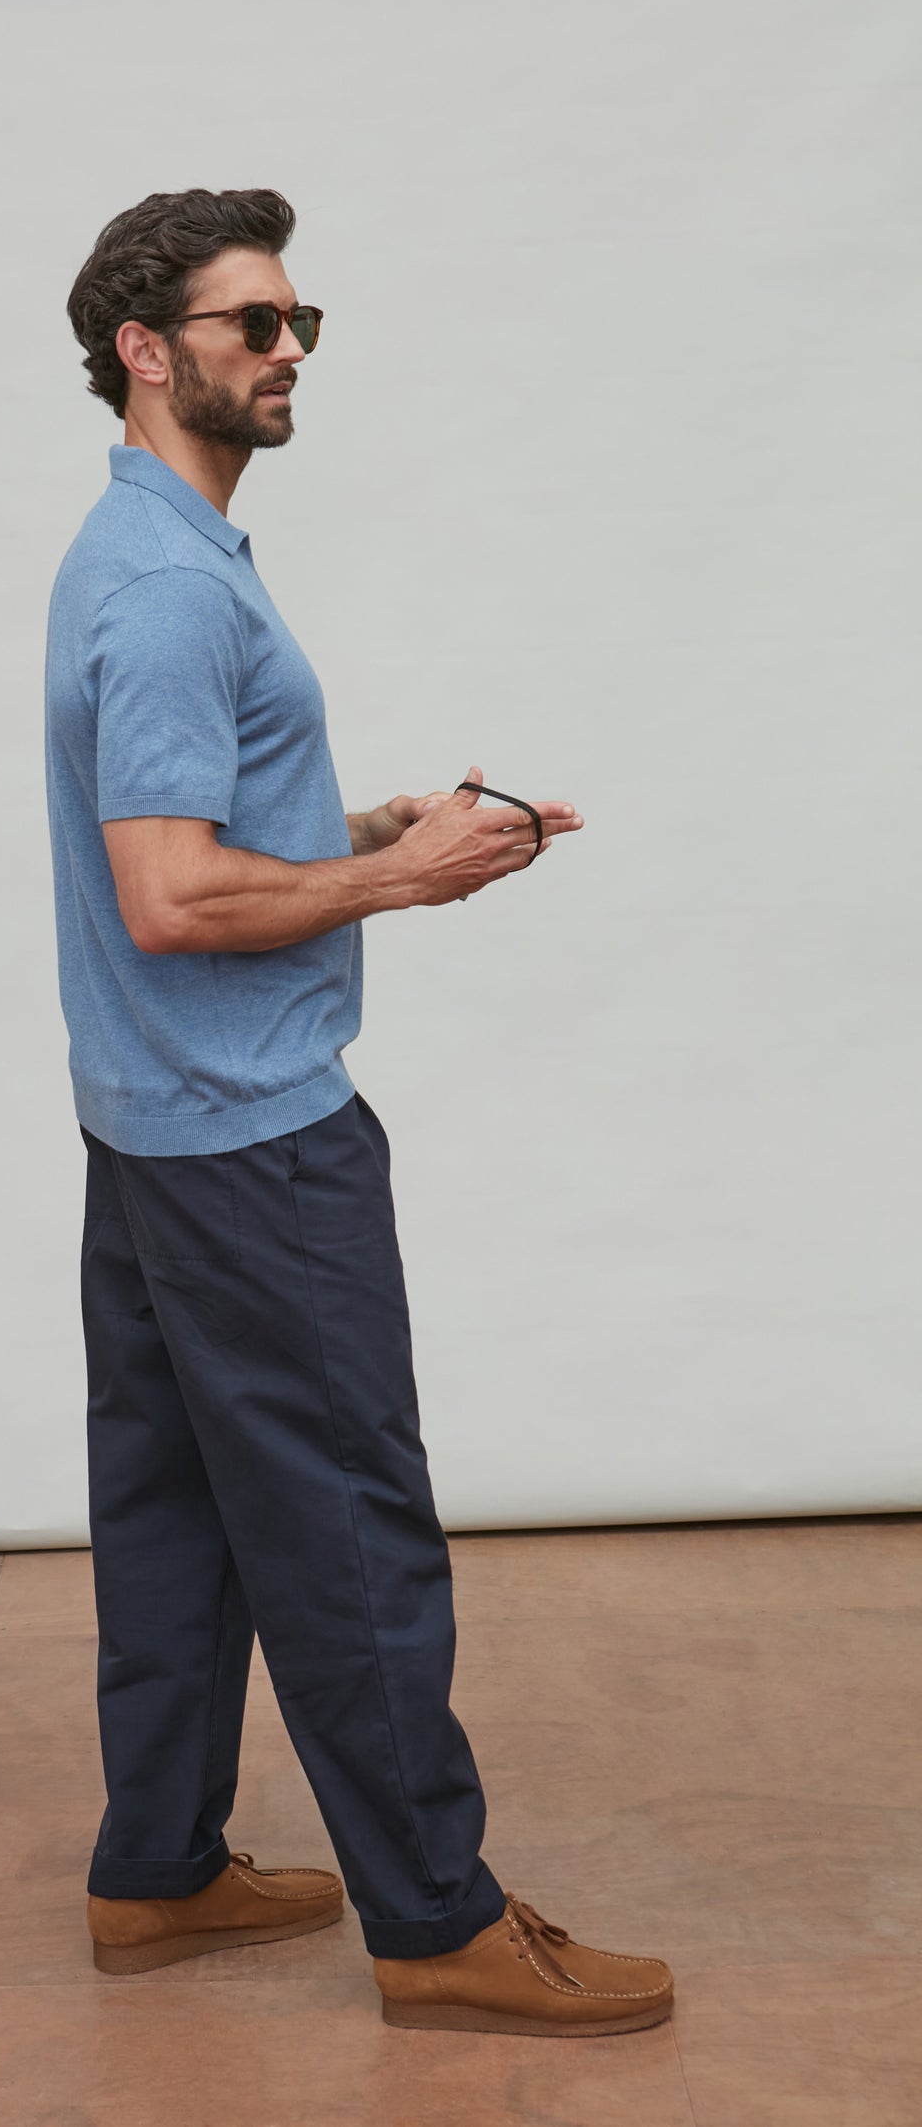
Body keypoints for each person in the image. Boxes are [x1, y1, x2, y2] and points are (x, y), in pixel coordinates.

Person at [43, 185, 672, 2036]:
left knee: (176, 1511)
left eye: (303, 318)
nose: (291, 349)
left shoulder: (145, 543)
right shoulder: (170, 584)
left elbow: (193, 846)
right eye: (254, 324)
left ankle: (152, 1873)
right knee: (348, 1523)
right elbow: (167, 895)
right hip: (249, 1145)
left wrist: (368, 829)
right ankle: (437, 1919)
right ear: (148, 352)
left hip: (149, 1126)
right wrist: (412, 887)